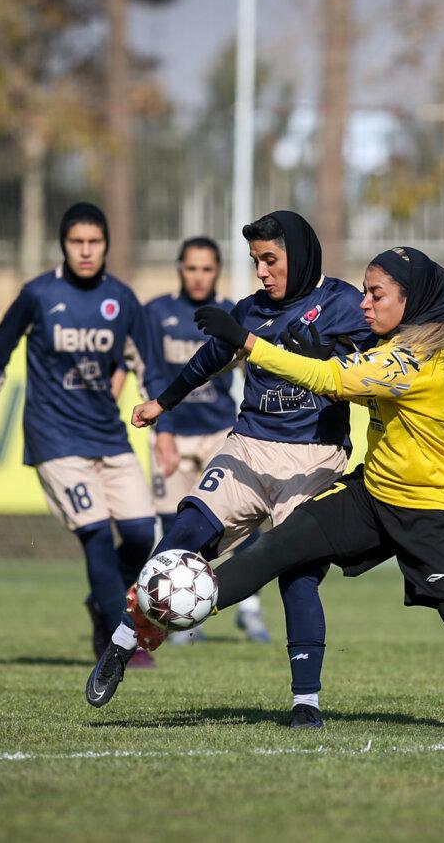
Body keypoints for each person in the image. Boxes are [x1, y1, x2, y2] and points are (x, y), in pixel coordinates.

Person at [88, 244, 444, 734]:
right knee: (274, 550)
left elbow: (330, 379)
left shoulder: (412, 361)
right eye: (364, 292)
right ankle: (161, 618)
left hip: (429, 514)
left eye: (377, 295)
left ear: (409, 302)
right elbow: (338, 368)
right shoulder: (392, 345)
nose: (364, 303)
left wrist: (249, 342)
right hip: (369, 496)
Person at [125, 211, 378, 728]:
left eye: (270, 259)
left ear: (299, 256)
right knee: (183, 533)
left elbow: (384, 365)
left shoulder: (345, 303)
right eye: (255, 261)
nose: (261, 271)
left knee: (298, 577)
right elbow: (207, 360)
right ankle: (121, 641)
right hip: (251, 445)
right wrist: (162, 403)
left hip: (315, 455)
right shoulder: (251, 309)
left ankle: (306, 703)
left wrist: (339, 365)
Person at [0, 202, 167, 667]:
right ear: (63, 245)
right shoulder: (38, 294)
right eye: (77, 242)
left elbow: (148, 367)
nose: (86, 251)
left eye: (94, 242)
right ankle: (119, 640)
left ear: (106, 245)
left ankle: (103, 600)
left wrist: (164, 430)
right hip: (54, 437)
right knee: (95, 534)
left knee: (141, 534)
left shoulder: (122, 299)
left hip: (108, 435)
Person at [145, 236, 268, 644]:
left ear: (217, 271)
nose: (199, 276)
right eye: (192, 268)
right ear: (180, 269)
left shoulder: (233, 313)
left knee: (240, 520)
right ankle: (180, 616)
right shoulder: (156, 313)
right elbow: (150, 373)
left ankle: (249, 608)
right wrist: (162, 433)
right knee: (175, 526)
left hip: (219, 432)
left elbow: (253, 370)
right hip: (172, 434)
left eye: (207, 269)